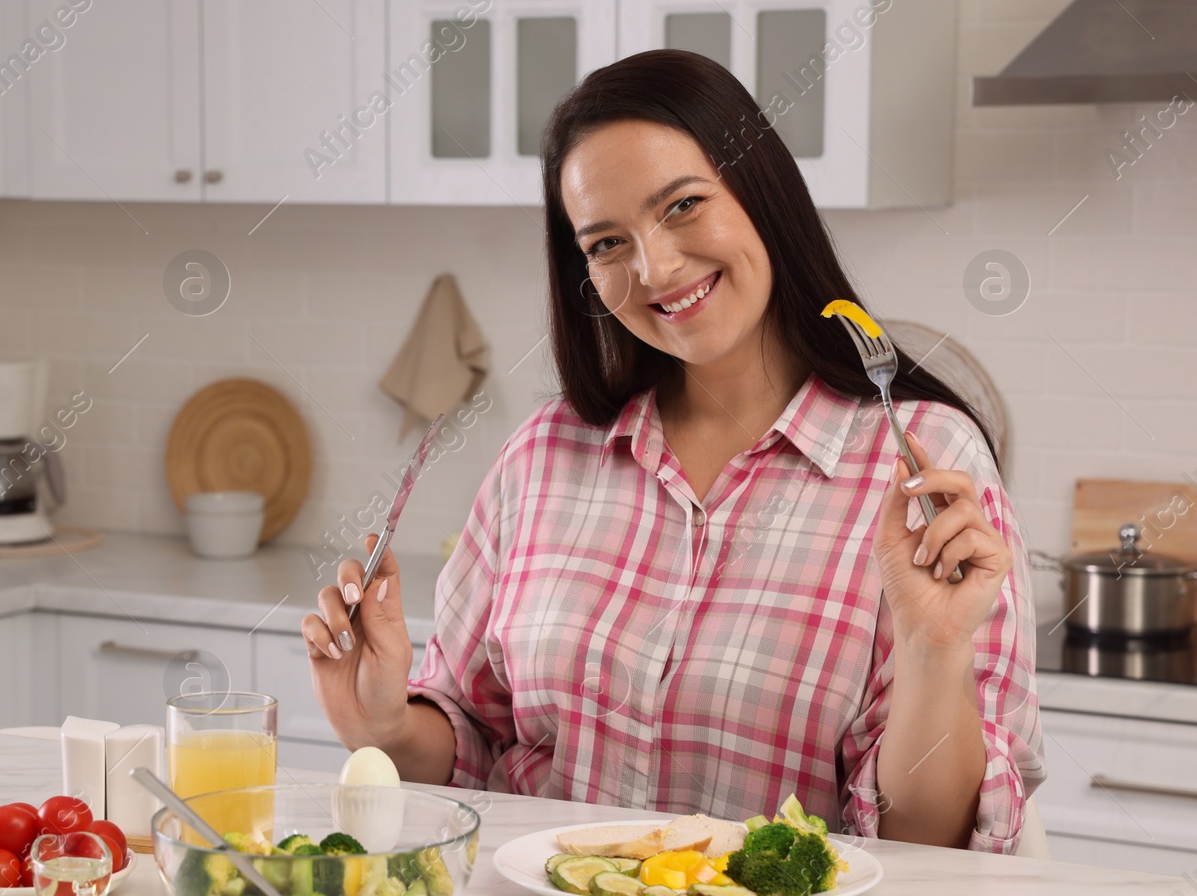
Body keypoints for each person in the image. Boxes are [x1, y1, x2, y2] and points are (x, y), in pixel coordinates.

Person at [300, 50, 1043, 853]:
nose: (655, 267)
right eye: (608, 243)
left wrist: (935, 651)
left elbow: (927, 848)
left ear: (763, 192)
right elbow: (477, 738)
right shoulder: (543, 456)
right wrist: (385, 725)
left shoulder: (923, 461)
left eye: (683, 205)